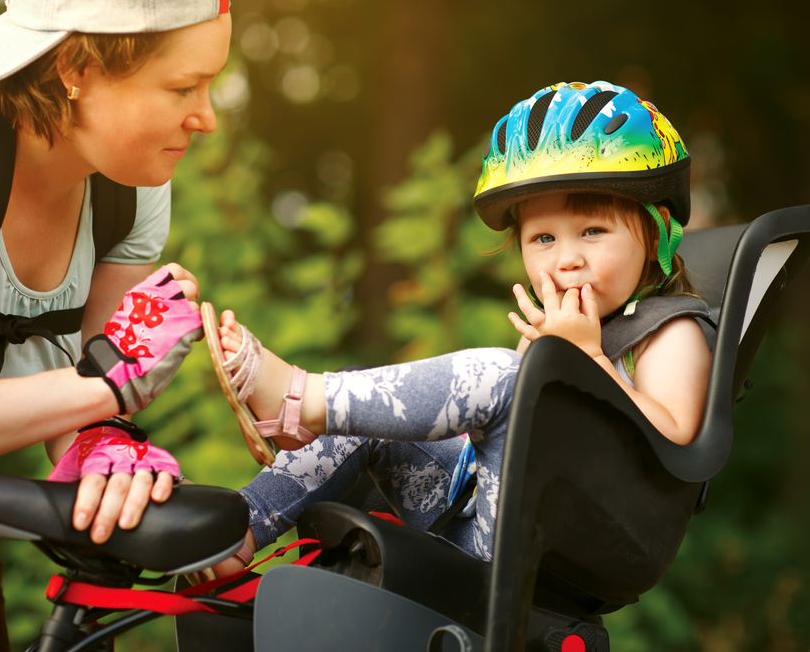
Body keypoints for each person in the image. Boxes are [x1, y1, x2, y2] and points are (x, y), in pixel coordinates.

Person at [204, 80, 713, 576]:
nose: (566, 260)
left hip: (577, 540)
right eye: (542, 239)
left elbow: (675, 439)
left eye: (592, 232)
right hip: (478, 512)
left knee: (501, 374)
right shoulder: (561, 329)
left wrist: (590, 362)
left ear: (655, 232)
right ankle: (237, 530)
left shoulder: (672, 330)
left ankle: (298, 398)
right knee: (369, 405)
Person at [0, 0, 231, 649]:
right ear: (77, 69)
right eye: (183, 87)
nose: (206, 118)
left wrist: (113, 452)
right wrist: (110, 385)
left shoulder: (130, 189)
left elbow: (82, 410)